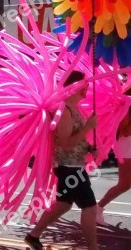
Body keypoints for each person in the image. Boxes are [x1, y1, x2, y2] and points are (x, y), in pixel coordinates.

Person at [25, 71, 98, 250]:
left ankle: (33, 236)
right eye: (84, 85)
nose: (87, 88)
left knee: (63, 204)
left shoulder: (74, 110)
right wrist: (88, 127)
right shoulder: (64, 111)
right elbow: (65, 144)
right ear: (76, 87)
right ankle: (93, 248)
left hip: (72, 166)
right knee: (89, 207)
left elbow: (75, 140)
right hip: (69, 168)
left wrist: (89, 148)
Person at [97, 103, 131, 225]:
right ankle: (98, 208)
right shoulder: (126, 105)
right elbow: (125, 130)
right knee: (124, 185)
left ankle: (98, 208)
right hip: (128, 149)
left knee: (125, 185)